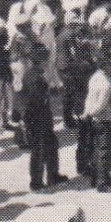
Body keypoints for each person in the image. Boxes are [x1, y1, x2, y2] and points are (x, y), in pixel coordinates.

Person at [20, 55, 63, 191]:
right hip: (38, 119)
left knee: (50, 146)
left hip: (39, 117)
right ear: (42, 61)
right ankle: (37, 182)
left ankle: (52, 175)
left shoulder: (31, 74)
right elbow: (37, 99)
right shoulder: (36, 78)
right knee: (39, 150)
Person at [82, 51, 111, 193]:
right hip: (107, 120)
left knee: (96, 150)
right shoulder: (106, 84)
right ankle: (102, 183)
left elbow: (89, 98)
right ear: (106, 66)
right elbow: (101, 105)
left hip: (96, 120)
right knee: (106, 152)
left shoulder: (94, 77)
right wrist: (92, 113)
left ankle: (96, 178)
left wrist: (87, 113)